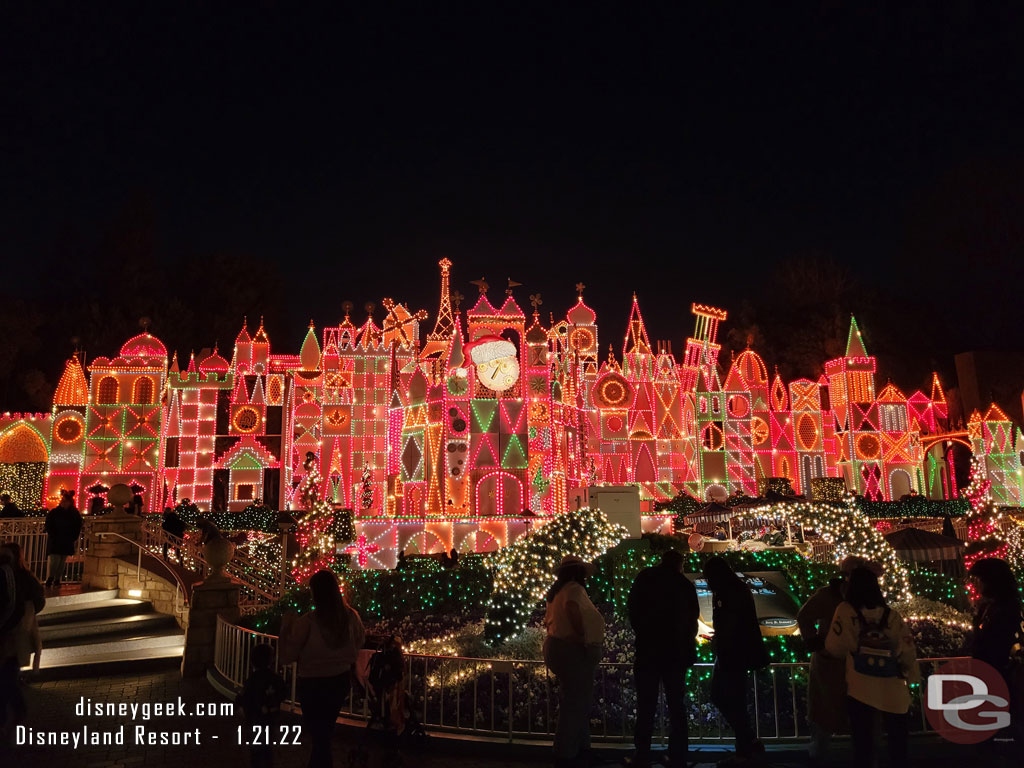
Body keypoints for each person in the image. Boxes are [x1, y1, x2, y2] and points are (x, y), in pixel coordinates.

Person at [826, 566, 918, 768]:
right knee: (898, 744)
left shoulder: (845, 611)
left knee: (863, 744)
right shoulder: (892, 616)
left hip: (860, 687)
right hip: (893, 688)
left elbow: (834, 647)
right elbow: (907, 651)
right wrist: (911, 677)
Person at [796, 556, 879, 764]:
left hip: (856, 666)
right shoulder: (828, 596)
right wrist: (816, 644)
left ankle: (862, 756)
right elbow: (804, 616)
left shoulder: (865, 599)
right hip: (831, 665)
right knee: (825, 714)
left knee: (858, 717)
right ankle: (821, 754)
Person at [279, 569, 365, 768]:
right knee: (323, 733)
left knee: (319, 735)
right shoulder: (351, 617)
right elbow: (358, 643)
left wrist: (285, 628)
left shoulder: (308, 622)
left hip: (312, 684)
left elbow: (286, 656)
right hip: (339, 681)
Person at [625, 549, 699, 768]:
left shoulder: (646, 578)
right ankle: (677, 756)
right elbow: (692, 619)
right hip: (675, 654)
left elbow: (633, 608)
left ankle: (642, 755)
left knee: (646, 704)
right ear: (679, 563)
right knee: (677, 705)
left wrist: (643, 633)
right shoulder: (684, 585)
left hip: (648, 651)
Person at [704, 556, 768, 765]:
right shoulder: (736, 589)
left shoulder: (727, 592)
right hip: (735, 652)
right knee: (733, 700)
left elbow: (730, 623)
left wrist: (719, 640)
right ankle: (747, 745)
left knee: (727, 698)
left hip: (732, 653)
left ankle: (746, 747)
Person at [543, 555, 605, 768]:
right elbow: (572, 609)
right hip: (571, 649)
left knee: (573, 699)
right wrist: (582, 635)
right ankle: (565, 752)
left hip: (555, 646)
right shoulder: (574, 590)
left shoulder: (555, 592)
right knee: (576, 701)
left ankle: (580, 747)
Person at [968, 557, 1024, 744]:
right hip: (988, 674)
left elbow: (992, 642)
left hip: (1000, 674)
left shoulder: (1005, 609)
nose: (976, 585)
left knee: (1002, 729)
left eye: (979, 579)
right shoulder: (989, 607)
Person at [1, 541, 45, 734]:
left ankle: (11, 713)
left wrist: (28, 613)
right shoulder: (13, 576)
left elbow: (34, 601)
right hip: (14, 633)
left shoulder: (18, 578)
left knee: (6, 675)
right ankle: (16, 710)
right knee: (7, 675)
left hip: (14, 634)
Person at [238, 643, 288, 768]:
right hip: (270, 718)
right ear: (271, 660)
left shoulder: (251, 680)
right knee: (267, 747)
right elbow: (284, 692)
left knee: (256, 749)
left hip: (254, 718)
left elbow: (242, 697)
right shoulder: (275, 678)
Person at [44, 490, 83, 588]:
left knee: (61, 561)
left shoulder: (74, 514)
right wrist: (53, 533)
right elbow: (48, 524)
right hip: (56, 539)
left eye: (66, 501)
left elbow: (77, 526)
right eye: (63, 501)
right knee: (55, 560)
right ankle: (51, 578)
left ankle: (56, 579)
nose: (63, 503)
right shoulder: (55, 512)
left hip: (66, 539)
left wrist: (73, 536)